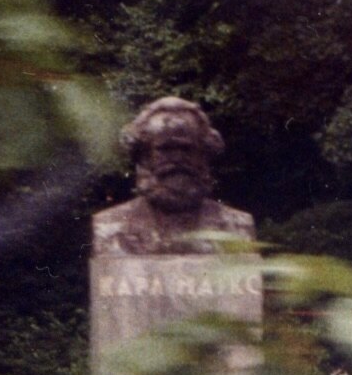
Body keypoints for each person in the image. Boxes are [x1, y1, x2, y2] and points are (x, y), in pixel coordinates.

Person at [91, 96, 257, 257]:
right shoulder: (109, 225)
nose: (177, 159)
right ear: (143, 156)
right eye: (165, 149)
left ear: (204, 153)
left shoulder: (238, 226)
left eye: (186, 149)